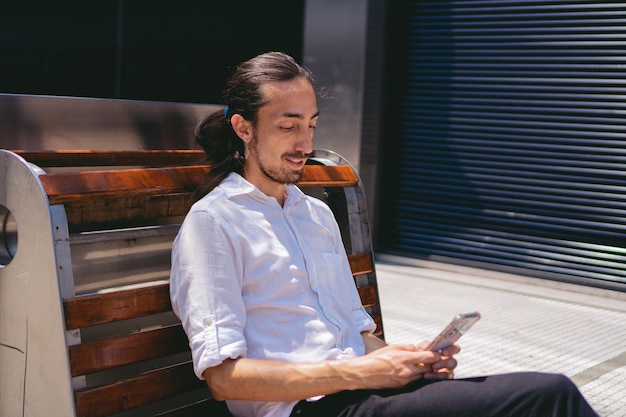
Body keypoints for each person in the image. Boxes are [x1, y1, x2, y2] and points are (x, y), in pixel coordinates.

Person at [170, 51, 598, 417]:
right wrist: (358, 373)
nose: (305, 143)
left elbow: (356, 336)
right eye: (288, 126)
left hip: (362, 394)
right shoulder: (214, 223)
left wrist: (409, 359)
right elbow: (225, 379)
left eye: (312, 125)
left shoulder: (314, 214)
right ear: (244, 129)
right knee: (547, 395)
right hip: (307, 407)